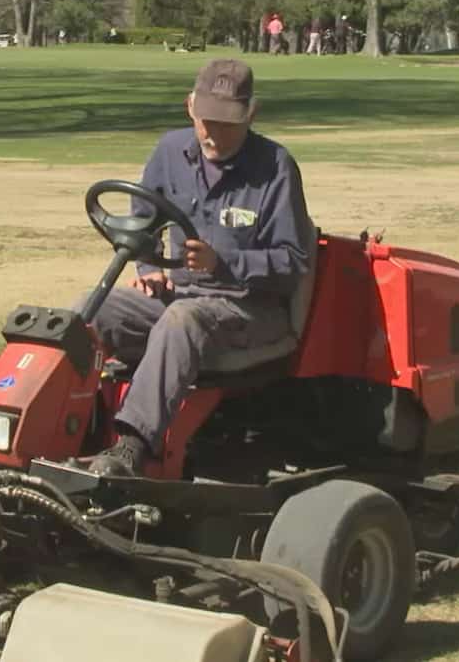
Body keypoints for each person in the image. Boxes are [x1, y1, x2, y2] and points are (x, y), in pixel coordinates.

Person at [85, 59, 314, 476]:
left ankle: (132, 447)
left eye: (227, 123)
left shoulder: (275, 168)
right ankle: (65, 424)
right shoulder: (170, 152)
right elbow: (144, 218)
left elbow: (294, 261)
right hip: (181, 296)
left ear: (251, 114)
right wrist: (148, 263)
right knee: (94, 308)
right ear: (190, 106)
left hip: (249, 310)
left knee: (181, 320)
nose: (212, 133)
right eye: (206, 120)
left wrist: (224, 263)